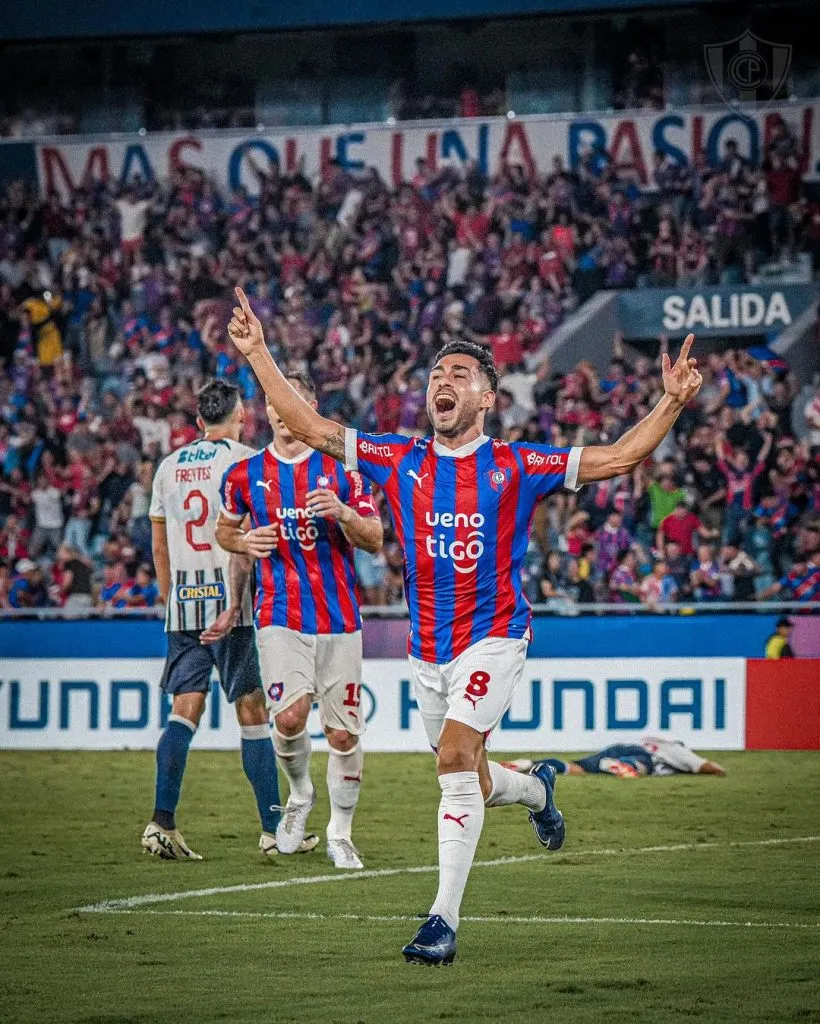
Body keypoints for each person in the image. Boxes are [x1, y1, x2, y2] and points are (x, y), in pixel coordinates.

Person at [226, 286, 703, 965]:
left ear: (487, 398)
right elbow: (308, 426)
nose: (442, 382)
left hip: (495, 635)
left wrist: (672, 400)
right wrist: (259, 354)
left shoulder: (517, 464)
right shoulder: (399, 458)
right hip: (428, 651)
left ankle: (441, 923)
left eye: (459, 374)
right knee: (470, 776)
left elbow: (618, 457)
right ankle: (535, 789)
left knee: (453, 759)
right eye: (435, 375)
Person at [216, 376, 383, 870]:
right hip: (278, 614)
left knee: (343, 736)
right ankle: (300, 793)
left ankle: (341, 833)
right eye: (275, 401)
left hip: (339, 619)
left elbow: (375, 538)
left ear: (310, 408)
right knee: (288, 718)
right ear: (268, 410)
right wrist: (244, 542)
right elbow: (224, 530)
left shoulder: (342, 469)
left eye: (294, 402)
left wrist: (345, 514)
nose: (284, 410)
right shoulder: (245, 475)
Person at [143, 379, 306, 862]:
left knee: (183, 711)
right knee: (252, 712)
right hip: (232, 607)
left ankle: (162, 822)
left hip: (184, 607)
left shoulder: (168, 467)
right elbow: (255, 533)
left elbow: (159, 545)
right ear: (241, 417)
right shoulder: (246, 461)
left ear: (198, 421)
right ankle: (273, 830)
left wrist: (170, 600)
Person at [502, 737, 725, 778]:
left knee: (576, 767)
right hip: (640, 756)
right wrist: (719, 769)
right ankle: (622, 766)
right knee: (643, 766)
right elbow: (703, 766)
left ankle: (529, 764)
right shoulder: (677, 749)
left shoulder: (654, 739)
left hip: (618, 748)